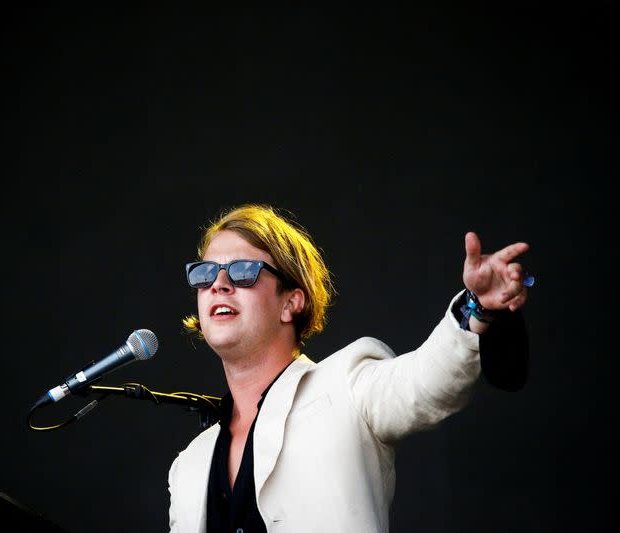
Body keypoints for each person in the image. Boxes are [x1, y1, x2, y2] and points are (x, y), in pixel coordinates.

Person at [168, 204, 531, 533]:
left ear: (291, 302)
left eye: (243, 271)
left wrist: (476, 307)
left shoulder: (346, 385)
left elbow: (426, 381)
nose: (218, 284)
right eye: (204, 274)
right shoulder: (190, 466)